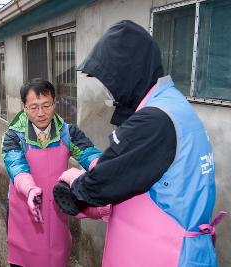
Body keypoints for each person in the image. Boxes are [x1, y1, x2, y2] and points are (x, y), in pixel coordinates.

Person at [56, 20, 226, 267]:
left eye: (109, 81)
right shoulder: (174, 106)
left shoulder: (154, 120)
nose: (107, 91)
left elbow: (99, 184)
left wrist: (75, 182)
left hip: (164, 255)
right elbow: (148, 185)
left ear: (127, 72)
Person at [2, 79, 110, 267]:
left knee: (55, 257)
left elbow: (88, 153)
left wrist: (105, 168)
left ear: (54, 102)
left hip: (56, 210)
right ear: (24, 107)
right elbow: (15, 165)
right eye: (34, 107)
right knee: (23, 260)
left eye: (46, 105)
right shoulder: (14, 136)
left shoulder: (68, 133)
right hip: (24, 206)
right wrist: (29, 189)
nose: (41, 113)